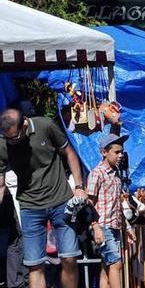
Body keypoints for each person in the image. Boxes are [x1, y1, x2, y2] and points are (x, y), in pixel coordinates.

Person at [0, 108, 87, 288]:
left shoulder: (45, 125)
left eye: (14, 137)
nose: (11, 142)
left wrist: (79, 187)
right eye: (7, 138)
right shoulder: (4, 143)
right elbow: (0, 183)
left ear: (24, 124)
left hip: (60, 200)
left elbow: (69, 153)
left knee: (69, 258)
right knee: (34, 265)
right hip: (30, 206)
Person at [87, 133, 134, 288]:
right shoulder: (97, 173)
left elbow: (118, 205)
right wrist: (96, 228)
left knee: (106, 268)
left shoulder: (116, 175)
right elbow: (89, 204)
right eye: (116, 152)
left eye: (122, 152)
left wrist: (127, 227)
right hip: (102, 225)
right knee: (116, 263)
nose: (120, 155)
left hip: (114, 226)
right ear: (104, 152)